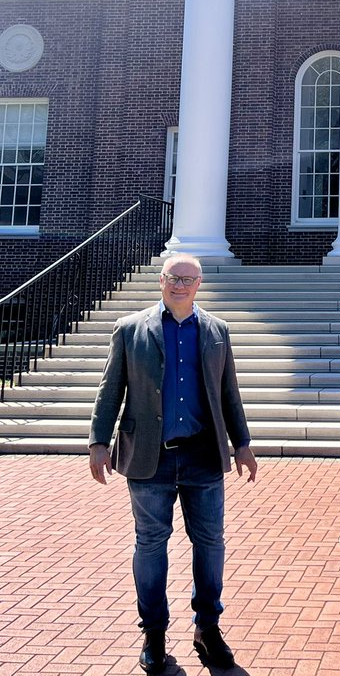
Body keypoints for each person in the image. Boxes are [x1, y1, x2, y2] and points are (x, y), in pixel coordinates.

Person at [89, 253, 258, 674]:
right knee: (150, 544)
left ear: (199, 284)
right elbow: (111, 389)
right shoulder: (130, 329)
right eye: (172, 278)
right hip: (149, 456)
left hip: (202, 456)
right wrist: (98, 441)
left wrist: (243, 443)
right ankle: (154, 632)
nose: (179, 285)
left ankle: (208, 627)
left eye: (188, 279)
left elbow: (228, 393)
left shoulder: (216, 331)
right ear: (161, 281)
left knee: (211, 543)